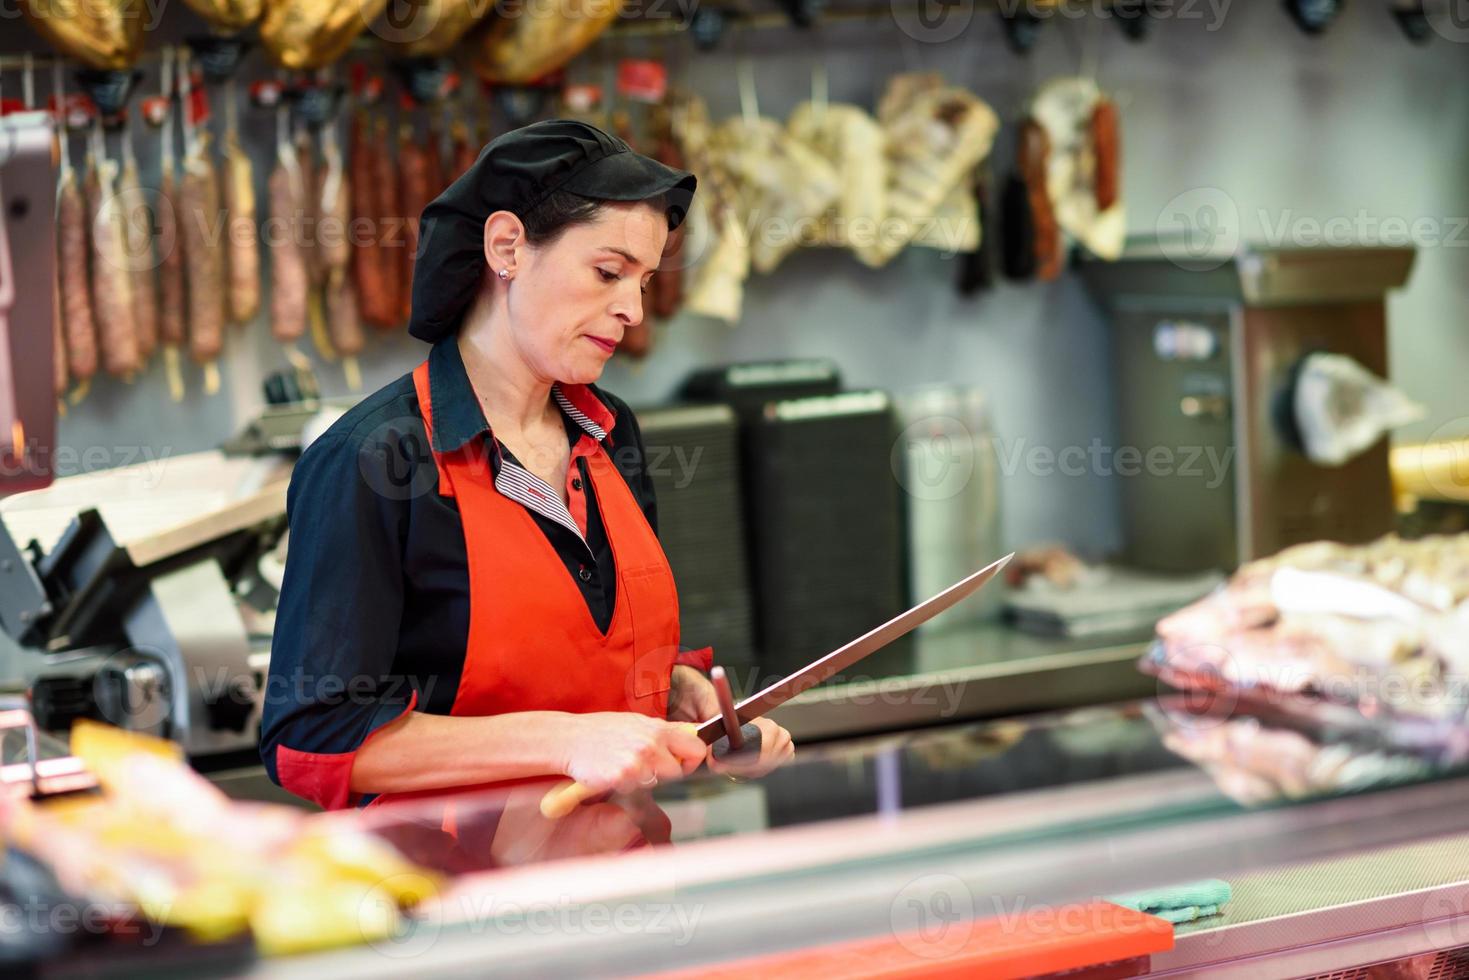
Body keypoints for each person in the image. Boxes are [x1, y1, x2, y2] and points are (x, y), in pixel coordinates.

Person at [260, 119, 794, 811]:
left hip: (626, 883)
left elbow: (592, 655)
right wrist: (564, 741)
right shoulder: (376, 458)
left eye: (644, 280)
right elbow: (313, 735)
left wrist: (684, 703)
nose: (633, 309)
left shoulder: (610, 431)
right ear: (507, 247)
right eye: (607, 272)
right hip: (456, 899)